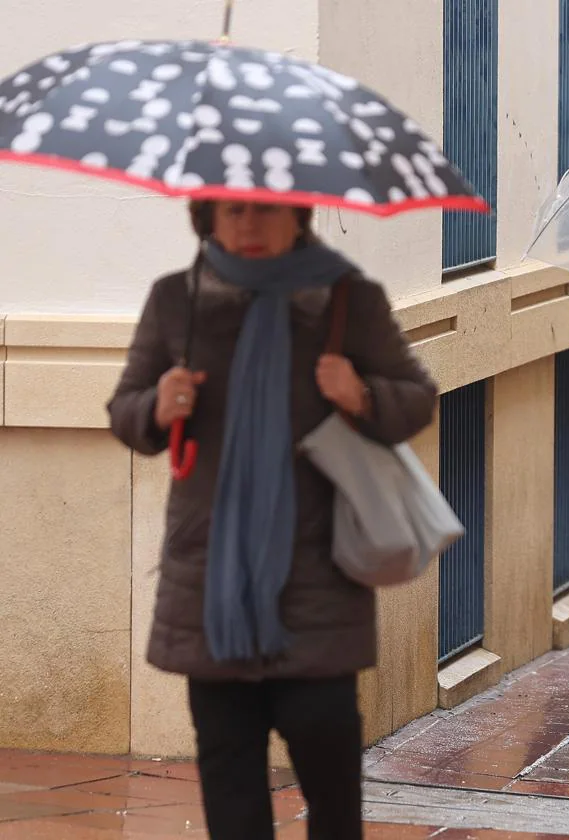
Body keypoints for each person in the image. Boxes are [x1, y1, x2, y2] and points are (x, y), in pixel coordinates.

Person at [107, 200, 437, 839]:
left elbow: (416, 399)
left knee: (331, 787)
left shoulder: (347, 300)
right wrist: (156, 406)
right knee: (230, 787)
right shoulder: (177, 300)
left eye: (266, 211)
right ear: (207, 217)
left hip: (316, 578)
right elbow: (126, 410)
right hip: (213, 583)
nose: (248, 227)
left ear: (298, 216)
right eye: (232, 212)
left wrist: (362, 395)